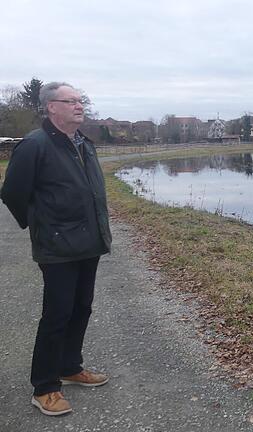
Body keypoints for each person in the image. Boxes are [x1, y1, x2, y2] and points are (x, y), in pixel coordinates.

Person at [1, 82, 112, 416]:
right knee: (57, 314)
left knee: (82, 308)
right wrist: (43, 226)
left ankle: (69, 366)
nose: (79, 106)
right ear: (51, 107)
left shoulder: (84, 144)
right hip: (58, 247)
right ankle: (45, 386)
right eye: (71, 101)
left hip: (89, 243)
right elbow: (13, 193)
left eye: (81, 100)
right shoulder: (35, 145)